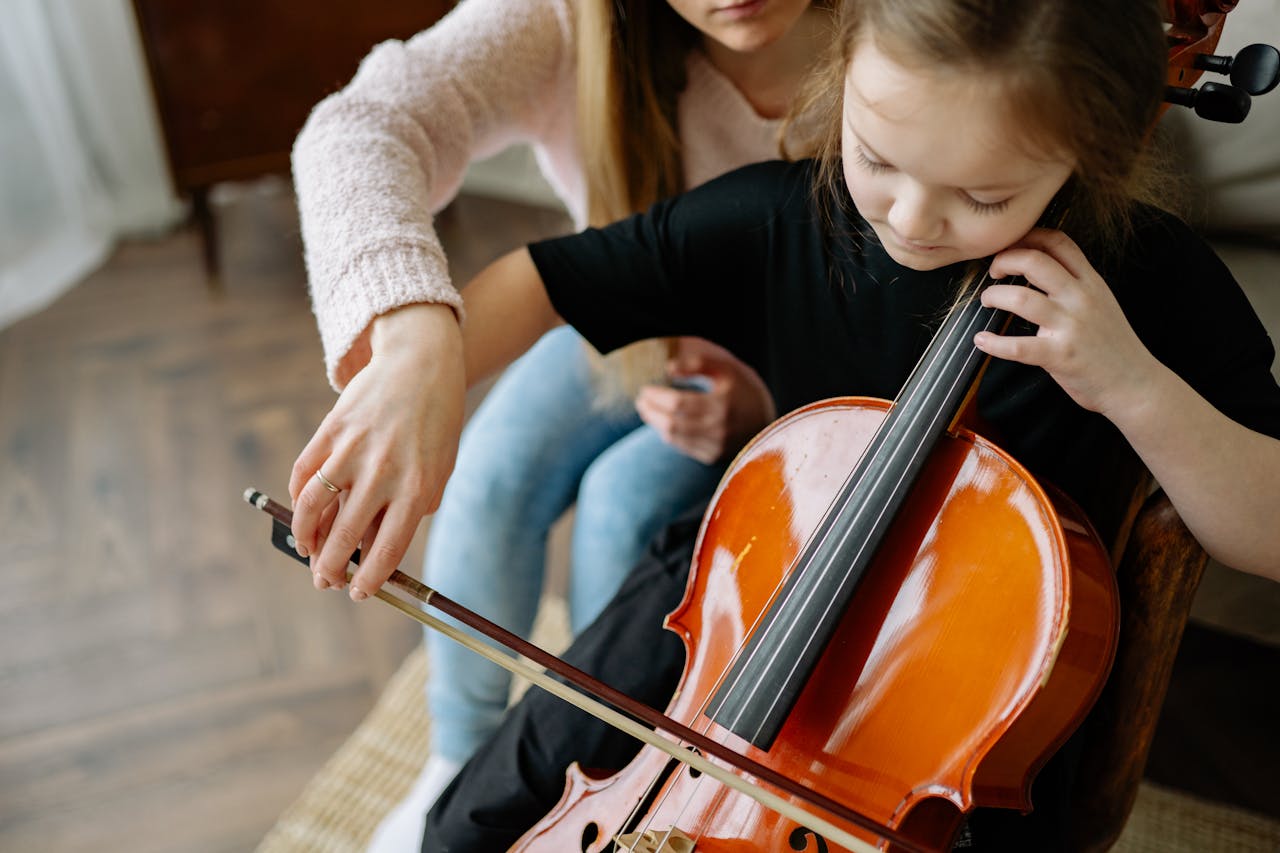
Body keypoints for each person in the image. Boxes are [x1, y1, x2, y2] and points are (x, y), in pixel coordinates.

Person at [290, 0, 1280, 848]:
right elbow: (541, 280)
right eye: (877, 158)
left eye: (983, 196)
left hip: (967, 729)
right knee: (475, 817)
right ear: (840, 70)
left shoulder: (1151, 287)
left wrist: (1131, 386)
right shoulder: (782, 216)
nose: (910, 218)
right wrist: (413, 373)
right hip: (732, 599)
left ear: (1089, 147)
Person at [287, 0, 834, 845]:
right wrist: (409, 337)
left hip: (788, 386)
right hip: (622, 330)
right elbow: (359, 124)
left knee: (623, 509)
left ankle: (590, 772)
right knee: (492, 465)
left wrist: (763, 402)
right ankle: (463, 757)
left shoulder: (903, 39)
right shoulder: (567, 22)